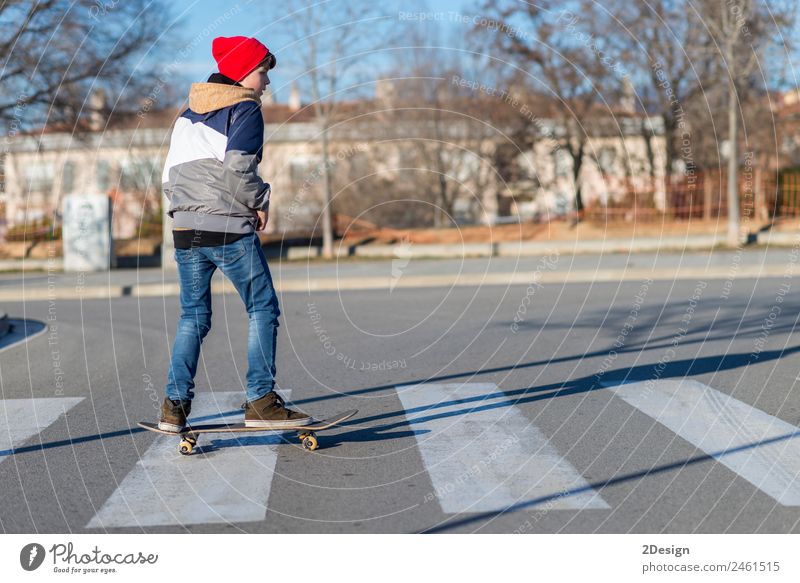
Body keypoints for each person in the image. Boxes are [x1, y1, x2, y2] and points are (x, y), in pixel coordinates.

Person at [158, 35, 310, 432]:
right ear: (243, 73)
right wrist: (261, 201)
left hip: (184, 228)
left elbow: (167, 178)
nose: (267, 83)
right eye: (263, 73)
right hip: (225, 226)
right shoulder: (244, 109)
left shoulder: (186, 114)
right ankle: (260, 401)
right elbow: (237, 172)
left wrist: (185, 213)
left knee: (193, 316)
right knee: (262, 308)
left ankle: (174, 406)